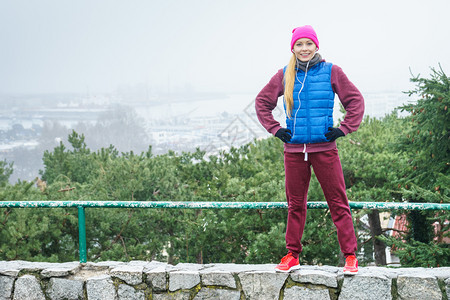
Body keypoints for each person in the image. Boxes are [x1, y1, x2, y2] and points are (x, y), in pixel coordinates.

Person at [255, 25, 364, 275]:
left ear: (316, 46)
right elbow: (262, 103)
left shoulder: (331, 71)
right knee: (295, 204)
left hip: (325, 150)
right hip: (294, 152)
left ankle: (350, 256)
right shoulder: (284, 74)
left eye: (308, 44)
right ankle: (292, 254)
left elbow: (355, 100)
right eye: (299, 44)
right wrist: (275, 128)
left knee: (338, 202)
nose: (304, 49)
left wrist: (343, 129)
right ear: (292, 48)